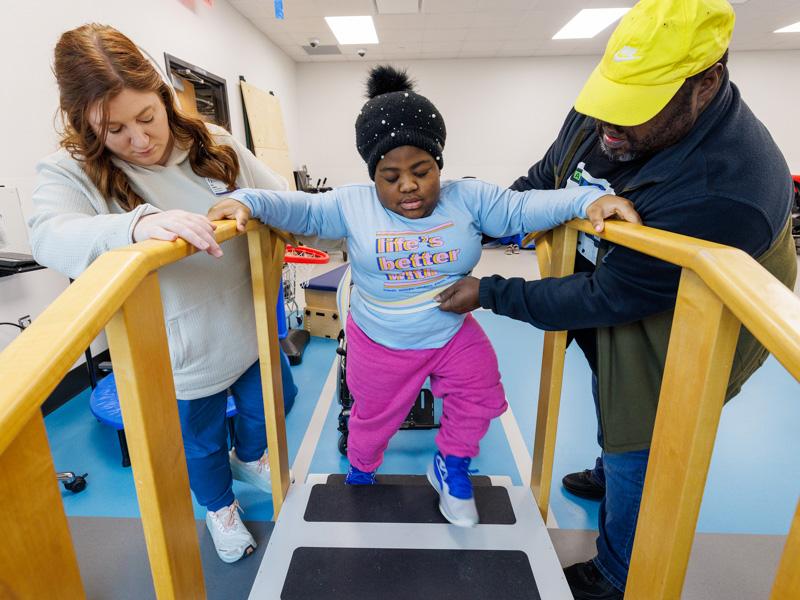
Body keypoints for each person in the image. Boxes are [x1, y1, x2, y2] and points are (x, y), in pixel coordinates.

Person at [435, 0, 797, 597]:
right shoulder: (607, 110)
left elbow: (608, 296)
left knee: (643, 428)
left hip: (706, 307)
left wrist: (490, 292)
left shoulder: (730, 185)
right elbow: (546, 177)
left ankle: (617, 571)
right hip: (623, 278)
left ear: (705, 84)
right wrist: (480, 222)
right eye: (609, 97)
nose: (608, 125)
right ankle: (613, 472)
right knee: (607, 372)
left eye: (634, 108)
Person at [207, 65, 640, 528]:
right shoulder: (353, 205)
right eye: (390, 176)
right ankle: (360, 472)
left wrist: (584, 202)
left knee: (480, 392)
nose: (408, 186)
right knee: (370, 423)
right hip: (380, 340)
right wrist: (247, 201)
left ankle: (450, 466)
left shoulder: (468, 199)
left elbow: (522, 206)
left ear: (439, 165)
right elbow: (301, 208)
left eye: (421, 171)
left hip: (449, 330)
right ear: (373, 175)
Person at [28, 23, 299, 564]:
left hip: (247, 327)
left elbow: (285, 200)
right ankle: (220, 507)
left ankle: (249, 456)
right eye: (115, 129)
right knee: (200, 444)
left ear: (163, 96)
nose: (140, 139)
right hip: (182, 352)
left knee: (276, 402)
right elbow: (47, 235)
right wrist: (133, 226)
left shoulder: (213, 142)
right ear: (84, 126)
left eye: (147, 117)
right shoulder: (74, 171)